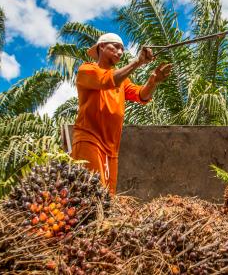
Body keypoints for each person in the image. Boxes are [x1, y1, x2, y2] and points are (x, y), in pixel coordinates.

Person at [71, 33, 172, 195]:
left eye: (122, 49)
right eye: (115, 47)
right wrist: (138, 62)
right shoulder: (87, 70)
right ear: (101, 47)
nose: (120, 52)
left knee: (107, 196)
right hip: (89, 139)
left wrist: (152, 81)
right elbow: (107, 81)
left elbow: (141, 95)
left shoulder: (122, 80)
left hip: (111, 147)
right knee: (91, 192)